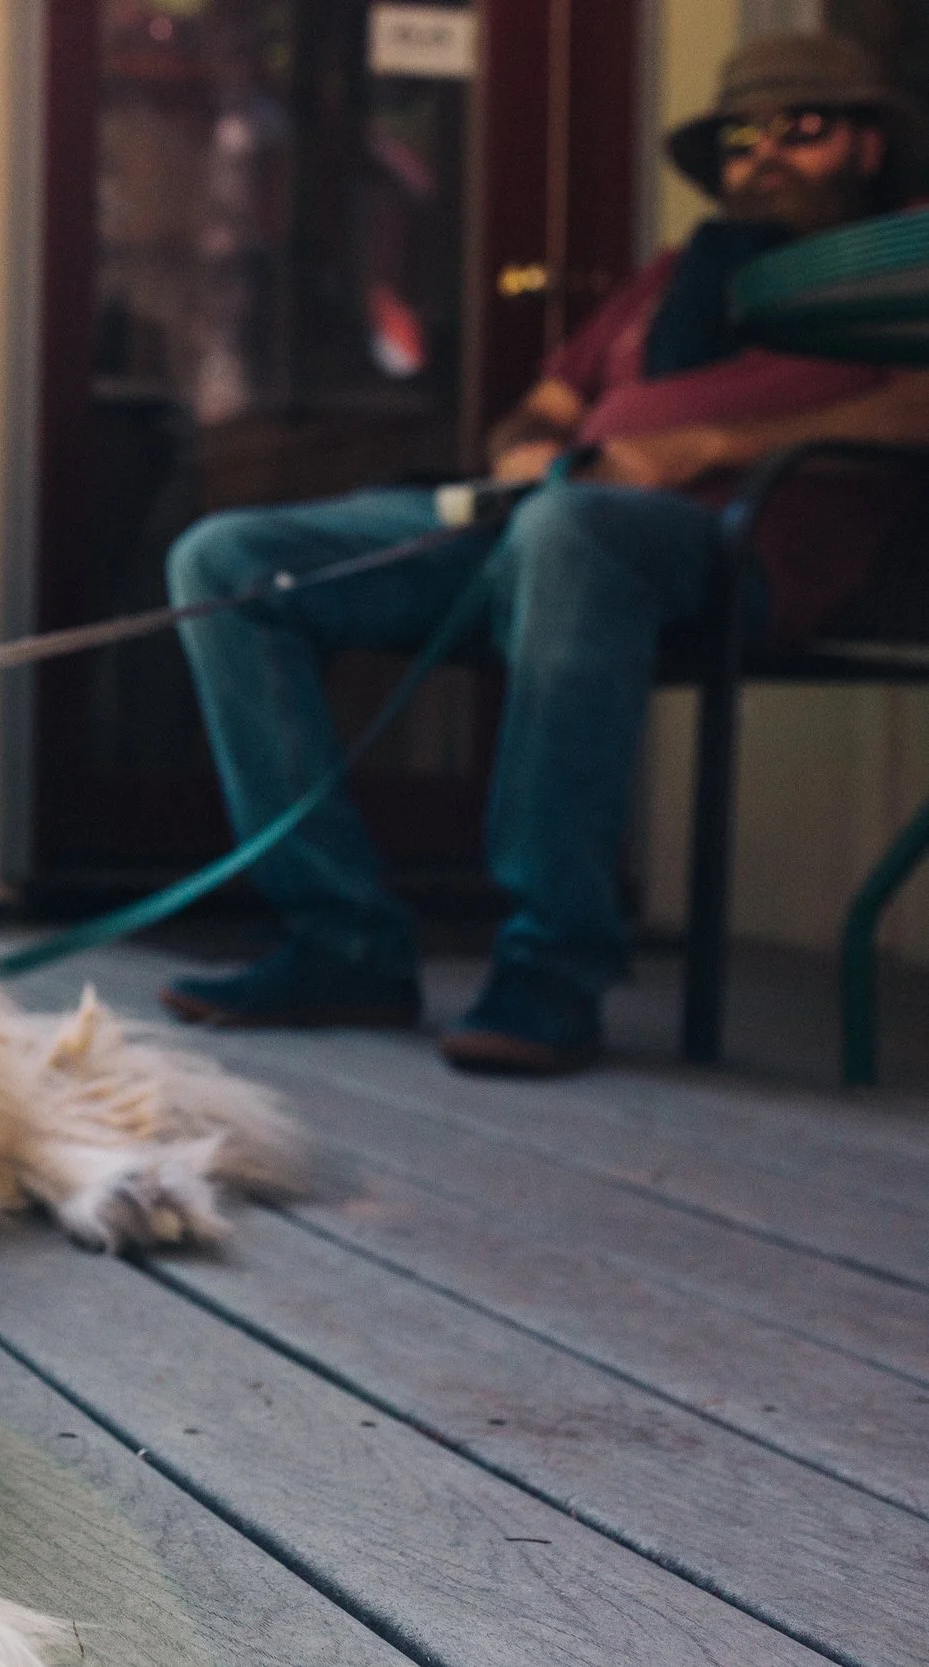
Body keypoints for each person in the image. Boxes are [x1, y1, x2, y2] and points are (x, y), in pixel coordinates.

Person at [159, 34, 929, 1074]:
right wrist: (524, 447)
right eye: (743, 138)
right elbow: (547, 403)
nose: (765, 156)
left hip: (731, 552)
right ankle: (341, 938)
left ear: (871, 144)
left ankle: (553, 961)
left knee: (577, 534)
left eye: (803, 129)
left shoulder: (900, 259)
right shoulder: (670, 277)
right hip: (539, 522)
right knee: (229, 558)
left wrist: (708, 446)